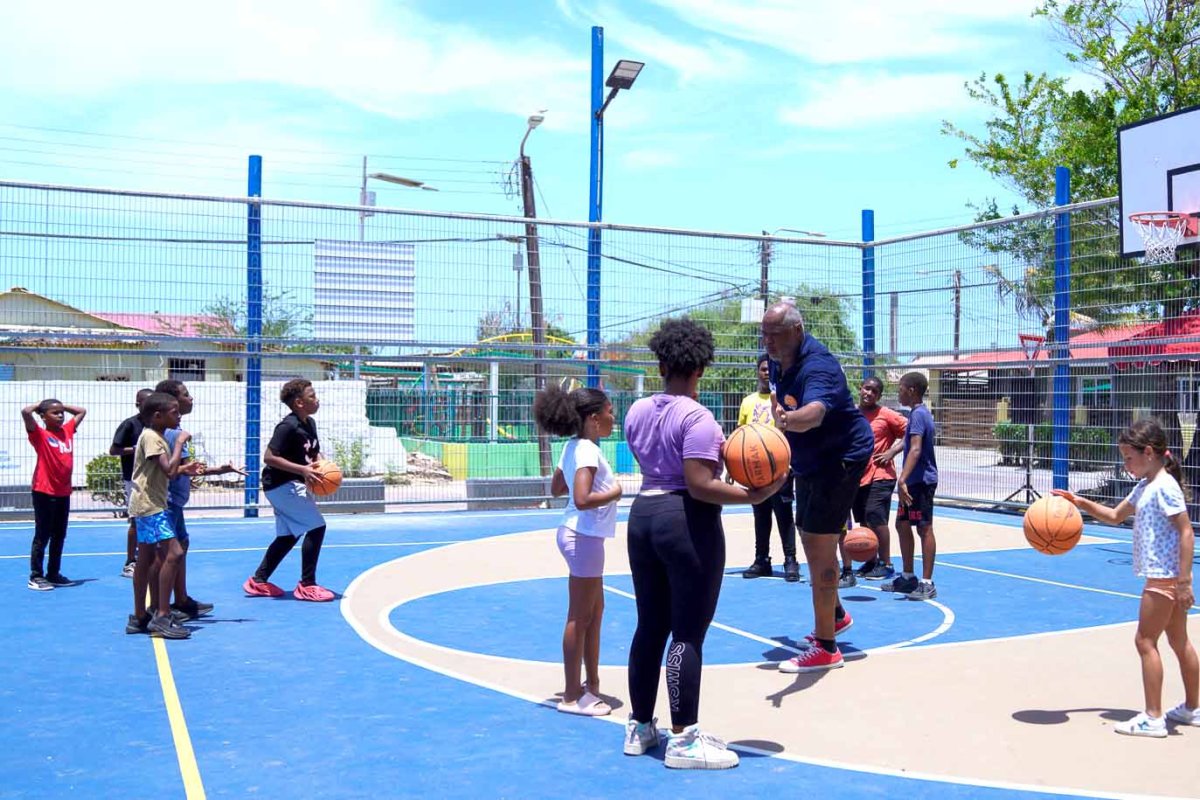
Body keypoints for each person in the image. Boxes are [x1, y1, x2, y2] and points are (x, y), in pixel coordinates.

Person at [623, 317, 786, 770]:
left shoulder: (636, 410)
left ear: (662, 363)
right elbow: (698, 484)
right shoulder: (697, 417)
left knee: (649, 627)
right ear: (701, 367)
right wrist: (759, 493)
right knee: (688, 633)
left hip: (642, 517)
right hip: (685, 522)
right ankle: (684, 739)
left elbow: (660, 468)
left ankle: (639, 727)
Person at [1053, 418, 1199, 737]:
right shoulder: (1146, 484)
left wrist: (1186, 581)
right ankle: (1191, 708)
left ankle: (1153, 717)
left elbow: (1187, 532)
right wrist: (1078, 502)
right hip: (1168, 576)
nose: (1125, 463)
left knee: (1145, 641)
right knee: (1178, 640)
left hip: (1164, 578)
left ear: (1148, 452)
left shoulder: (1163, 487)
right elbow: (1115, 515)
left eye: (1128, 457)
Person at [761, 302, 874, 673]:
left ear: (796, 331)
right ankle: (836, 614)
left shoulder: (818, 366)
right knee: (807, 535)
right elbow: (780, 398)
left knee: (821, 547)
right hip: (811, 459)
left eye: (774, 335)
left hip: (840, 458)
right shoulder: (780, 360)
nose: (768, 342)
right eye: (764, 334)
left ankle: (827, 648)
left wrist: (788, 421)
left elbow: (815, 413)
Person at [533, 384, 622, 717]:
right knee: (580, 617)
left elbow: (557, 487)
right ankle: (572, 695)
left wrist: (577, 479)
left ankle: (591, 683)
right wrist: (613, 492)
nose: (614, 417)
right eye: (611, 412)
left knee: (594, 613)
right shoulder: (586, 450)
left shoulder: (574, 447)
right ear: (594, 418)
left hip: (580, 535)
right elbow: (582, 500)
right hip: (582, 536)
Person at [156, 380, 243, 620]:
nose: (191, 398)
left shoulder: (173, 431)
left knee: (181, 547)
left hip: (175, 503)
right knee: (166, 555)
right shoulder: (174, 435)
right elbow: (179, 469)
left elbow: (187, 469)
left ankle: (181, 600)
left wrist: (219, 470)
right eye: (186, 394)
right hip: (167, 503)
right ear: (172, 402)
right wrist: (215, 470)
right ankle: (159, 610)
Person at [243, 379, 335, 602]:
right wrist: (302, 470)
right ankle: (307, 585)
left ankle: (258, 580)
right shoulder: (288, 426)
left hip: (289, 485)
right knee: (317, 527)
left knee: (289, 535)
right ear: (299, 402)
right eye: (312, 396)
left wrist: (324, 468)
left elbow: (314, 453)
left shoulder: (309, 424)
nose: (317, 399)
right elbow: (269, 457)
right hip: (281, 485)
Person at [125, 392, 200, 638]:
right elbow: (168, 471)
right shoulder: (153, 438)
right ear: (158, 416)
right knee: (175, 553)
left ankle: (139, 617)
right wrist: (179, 442)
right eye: (174, 412)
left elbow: (165, 469)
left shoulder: (151, 437)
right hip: (152, 506)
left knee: (145, 557)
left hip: (146, 504)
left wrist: (185, 468)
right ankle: (163, 614)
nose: (178, 416)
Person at [738, 354, 800, 582]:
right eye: (762, 369)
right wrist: (732, 468)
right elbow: (740, 436)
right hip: (754, 469)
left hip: (780, 468)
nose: (765, 372)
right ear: (757, 371)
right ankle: (761, 559)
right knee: (760, 514)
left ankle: (790, 560)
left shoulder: (785, 399)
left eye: (769, 369)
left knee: (784, 514)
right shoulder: (747, 402)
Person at [882, 372, 939, 600]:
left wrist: (902, 479)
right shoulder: (917, 414)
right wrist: (892, 452)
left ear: (912, 390)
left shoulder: (918, 415)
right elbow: (908, 442)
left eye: (901, 388)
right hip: (914, 482)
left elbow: (915, 448)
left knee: (924, 528)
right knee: (902, 524)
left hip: (920, 483)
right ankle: (907, 577)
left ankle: (926, 582)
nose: (899, 392)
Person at [844, 376, 906, 585]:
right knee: (863, 520)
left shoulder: (886, 415)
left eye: (874, 391)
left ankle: (886, 563)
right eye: (866, 389)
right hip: (857, 476)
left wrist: (892, 451)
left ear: (879, 396)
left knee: (875, 517)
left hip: (881, 475)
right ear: (860, 389)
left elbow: (913, 431)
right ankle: (871, 560)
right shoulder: (852, 413)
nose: (868, 393)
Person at [23, 398, 87, 591]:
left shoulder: (67, 430)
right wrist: (42, 405)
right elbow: (26, 412)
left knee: (59, 534)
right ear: (43, 417)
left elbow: (81, 411)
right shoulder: (39, 434)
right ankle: (36, 575)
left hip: (63, 491)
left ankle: (53, 573)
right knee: (43, 534)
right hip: (44, 490)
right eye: (54, 413)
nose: (60, 415)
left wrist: (60, 405)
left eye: (61, 413)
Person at [111, 388, 154, 578]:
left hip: (154, 479)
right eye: (147, 402)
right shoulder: (130, 425)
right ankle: (130, 561)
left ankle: (148, 556)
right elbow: (114, 450)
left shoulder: (157, 424)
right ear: (138, 404)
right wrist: (136, 449)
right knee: (136, 519)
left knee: (153, 518)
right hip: (134, 479)